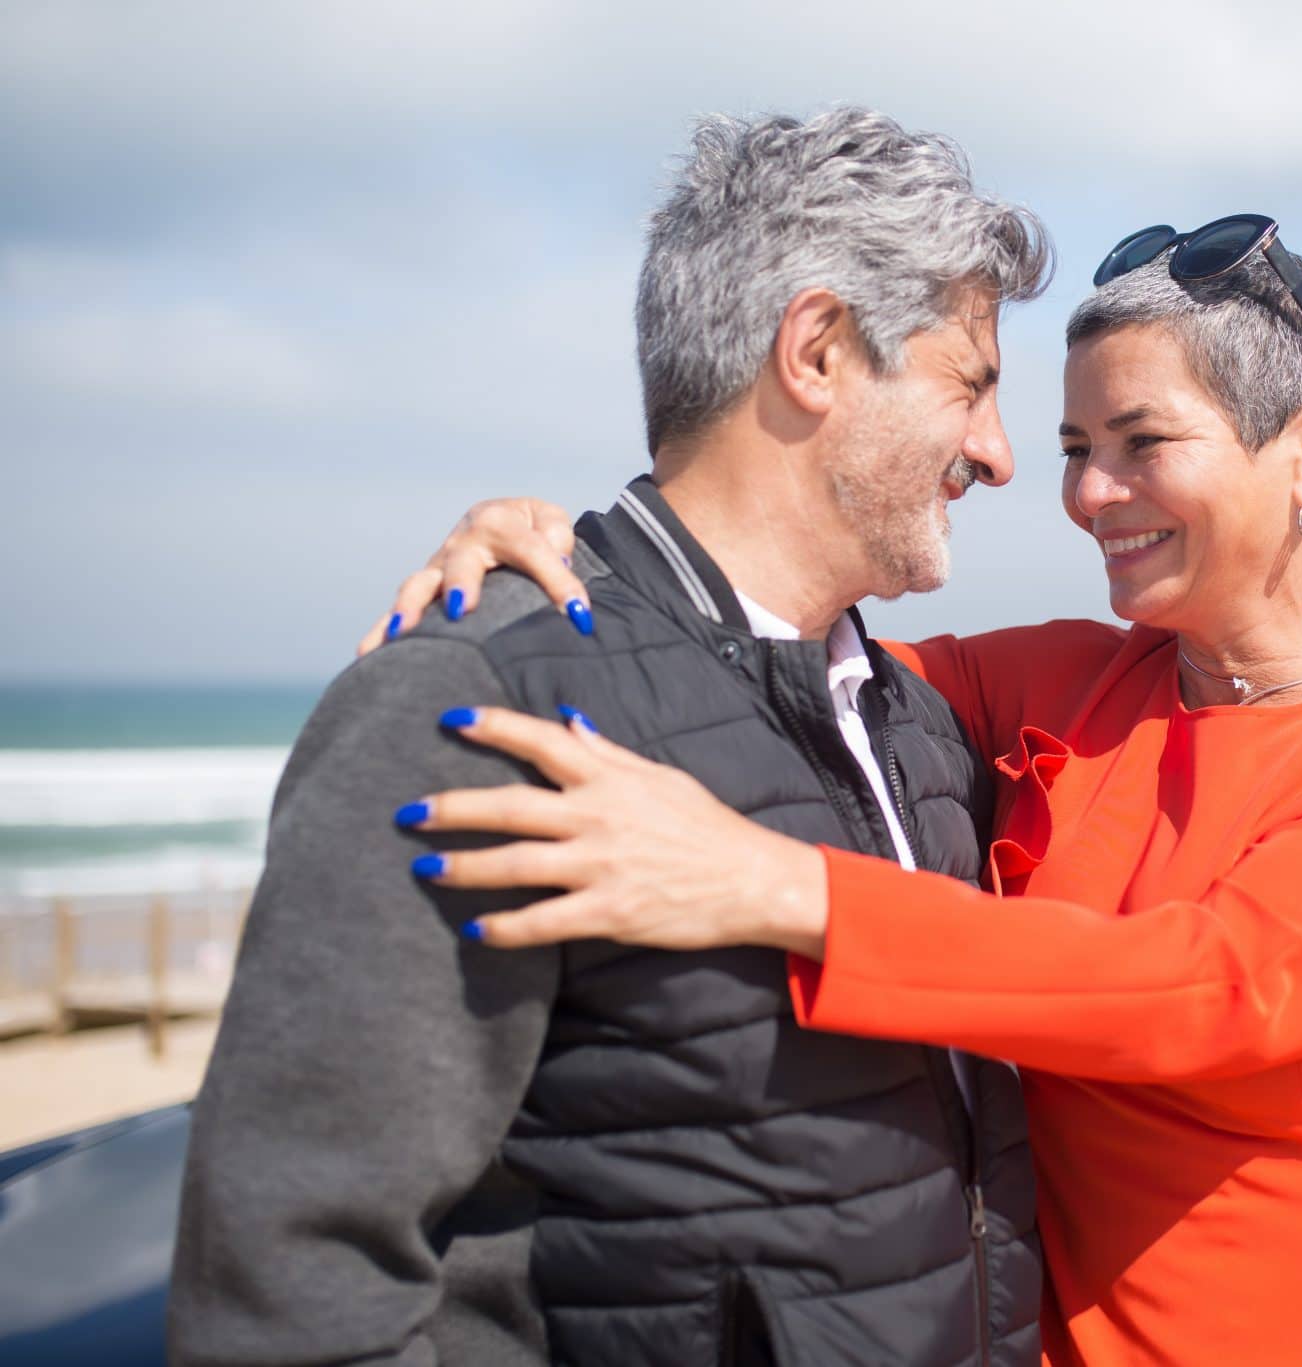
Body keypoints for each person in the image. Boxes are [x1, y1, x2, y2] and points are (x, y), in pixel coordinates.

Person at [371, 216, 1302, 1363]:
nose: (1089, 491)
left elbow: (1209, 988)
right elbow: (743, 661)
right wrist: (572, 555)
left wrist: (778, 886)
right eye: (1076, 447)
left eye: (1140, 440)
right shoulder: (1057, 679)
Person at [169, 108, 1058, 1367]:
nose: (998, 455)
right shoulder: (476, 704)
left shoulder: (922, 729)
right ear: (815, 350)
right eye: (969, 384)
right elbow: (294, 1280)